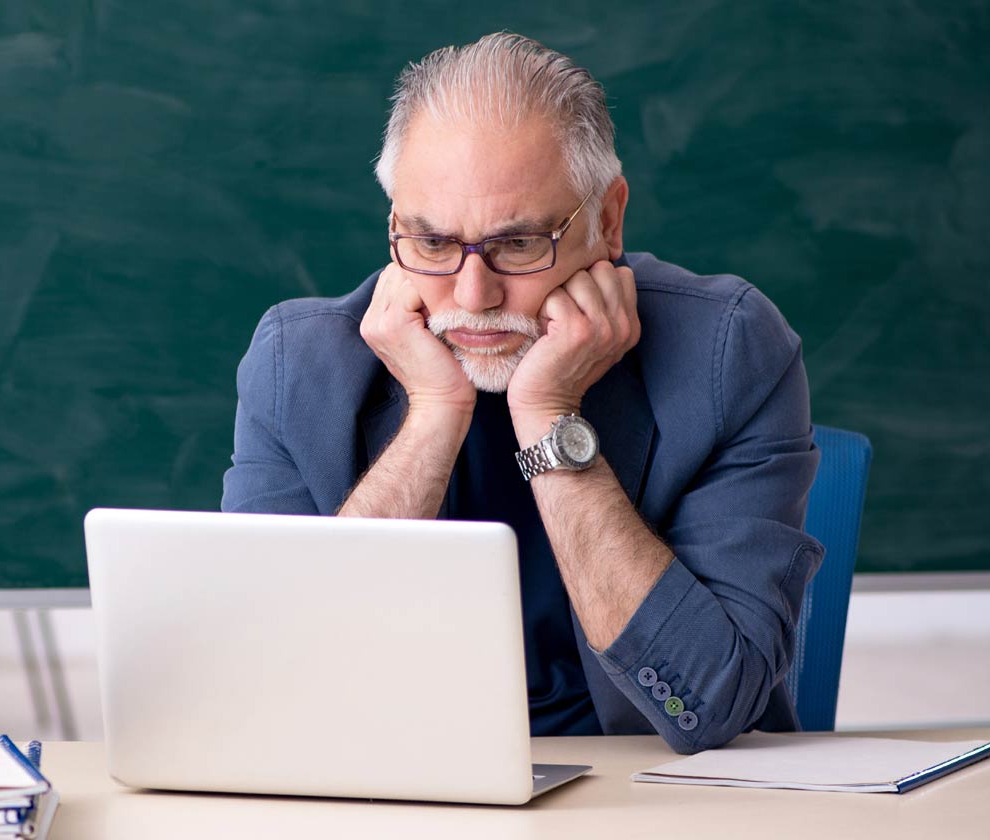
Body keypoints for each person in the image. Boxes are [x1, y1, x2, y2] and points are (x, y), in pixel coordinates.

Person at [221, 32, 822, 754]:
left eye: (518, 244)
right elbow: (268, 686)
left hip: (651, 795)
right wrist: (434, 417)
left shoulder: (727, 350)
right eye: (434, 244)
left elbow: (712, 703)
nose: (474, 295)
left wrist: (548, 421)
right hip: (390, 789)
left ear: (607, 221)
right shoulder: (298, 364)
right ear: (393, 231)